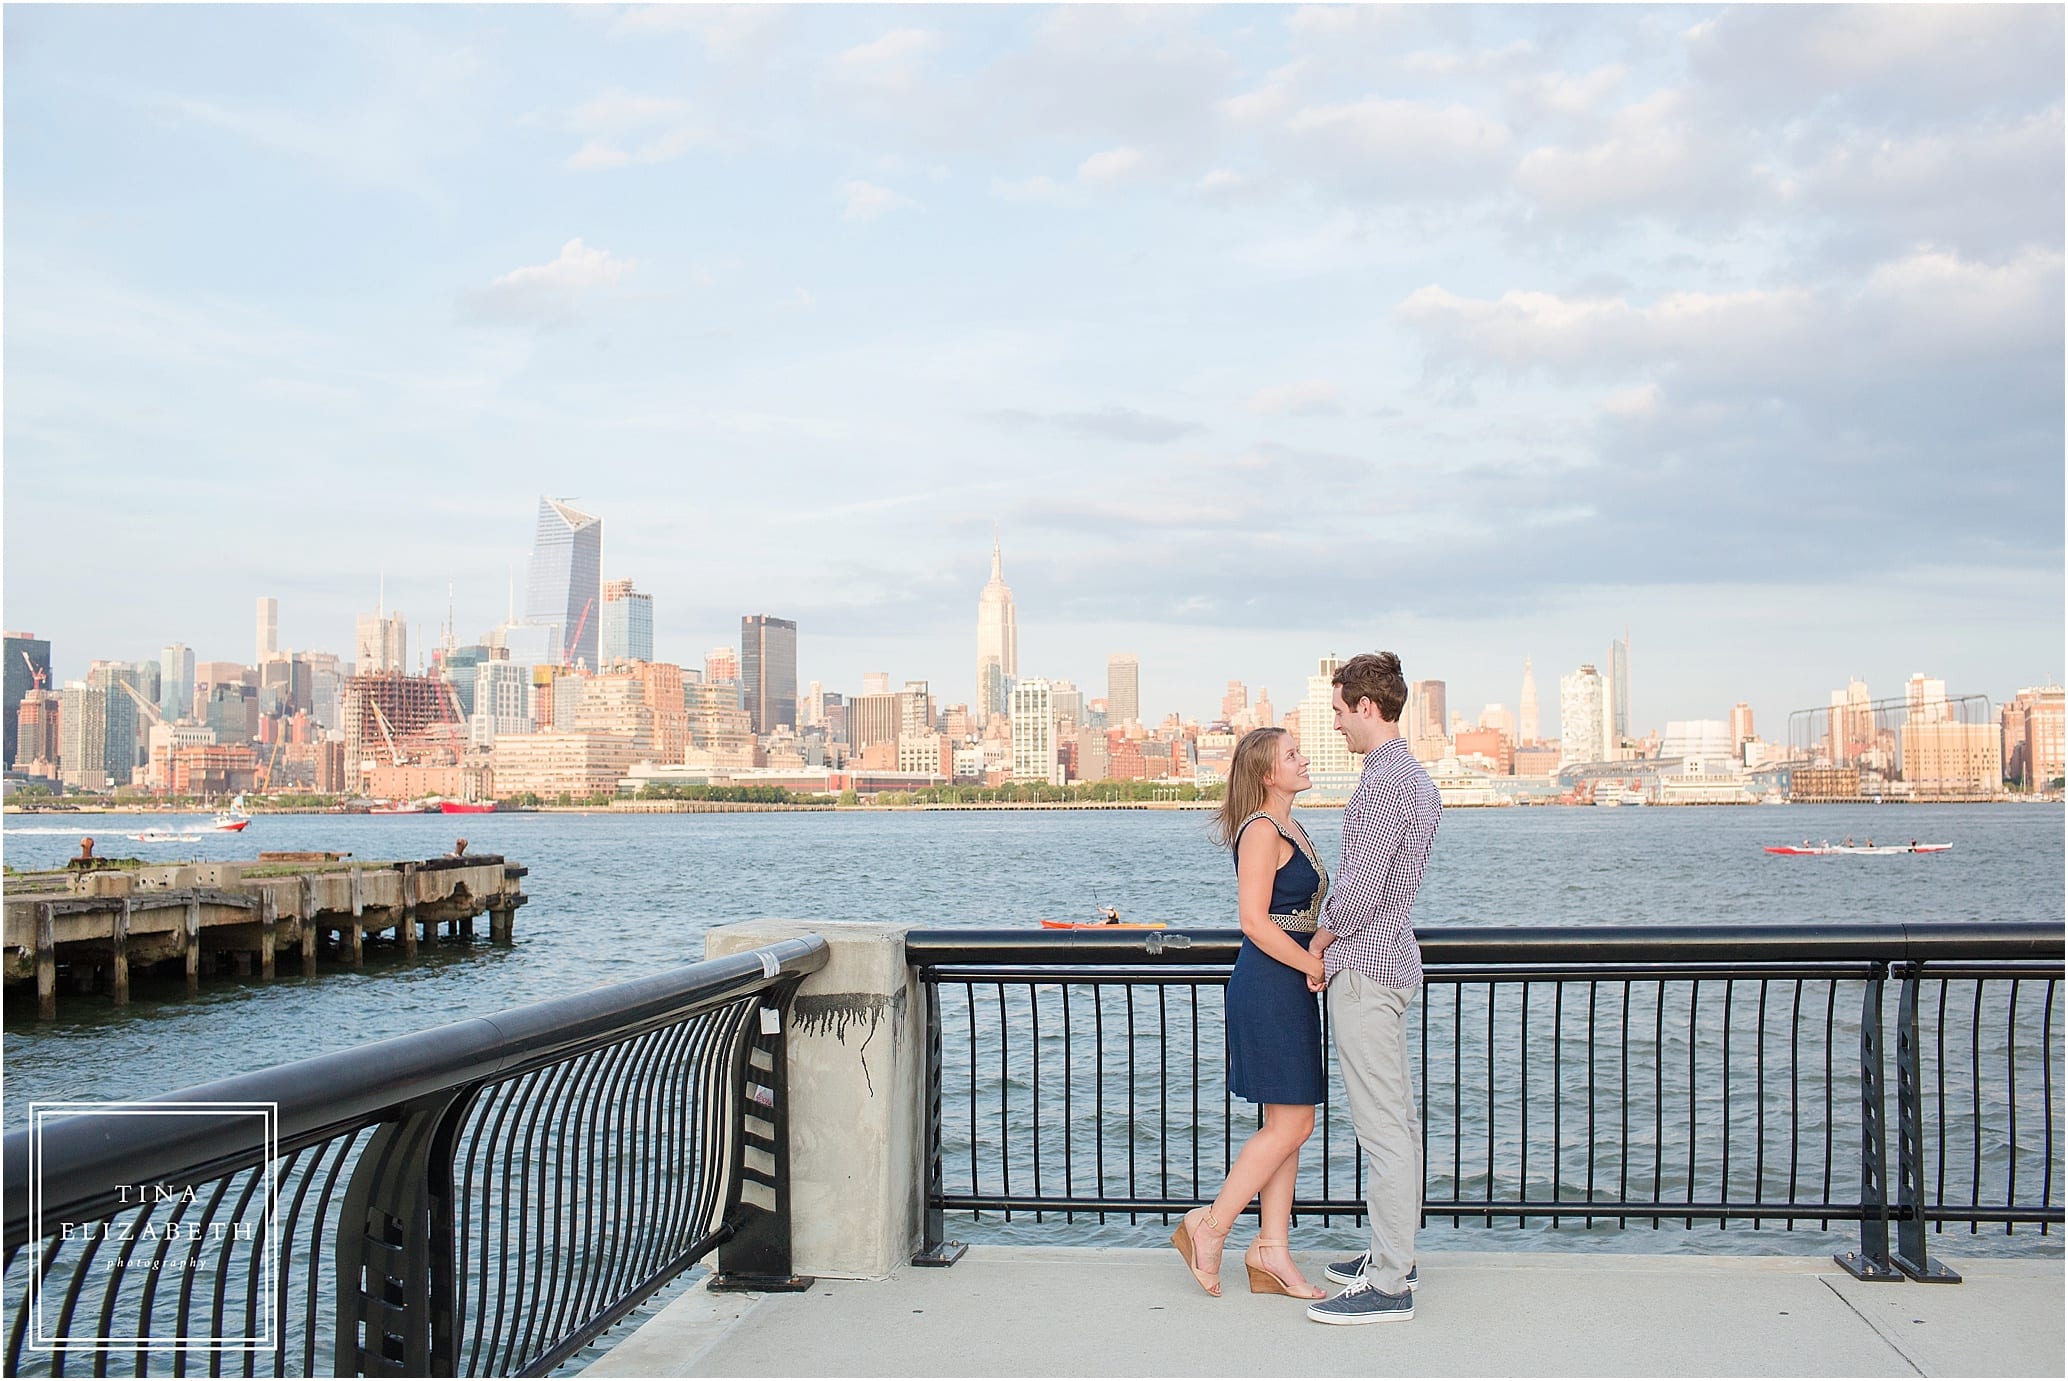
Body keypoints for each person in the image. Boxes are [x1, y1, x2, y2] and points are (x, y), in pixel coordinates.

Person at [1303, 652, 1441, 1326]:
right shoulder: (1414, 777)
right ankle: (1394, 1254)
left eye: (1337, 710)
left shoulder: (1386, 780)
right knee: (1399, 1123)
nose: (1335, 725)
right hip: (1392, 961)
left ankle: (1390, 1281)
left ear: (1366, 705)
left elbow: (1362, 888)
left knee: (1382, 1128)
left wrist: (1320, 937)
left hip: (1365, 967)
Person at [1171, 727, 1330, 1300]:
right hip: (1268, 985)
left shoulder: (1292, 827)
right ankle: (1210, 1226)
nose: (1304, 757)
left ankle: (1271, 1250)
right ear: (1267, 774)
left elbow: (1304, 912)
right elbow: (1255, 921)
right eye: (1293, 754)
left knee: (1285, 1124)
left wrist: (1318, 946)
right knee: (1296, 1122)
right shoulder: (1261, 830)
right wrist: (1309, 966)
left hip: (1287, 982)